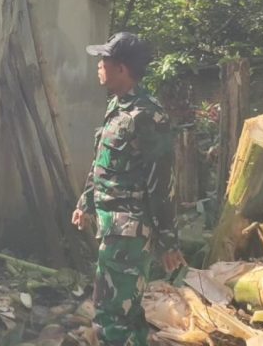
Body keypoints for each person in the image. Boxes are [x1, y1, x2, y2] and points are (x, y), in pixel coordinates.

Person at [72, 32, 184, 346]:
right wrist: (85, 203)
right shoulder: (117, 107)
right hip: (113, 228)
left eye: (104, 60)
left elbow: (162, 182)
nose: (98, 65)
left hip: (129, 233)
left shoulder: (147, 115)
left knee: (111, 316)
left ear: (121, 68)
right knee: (126, 313)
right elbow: (103, 162)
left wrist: (169, 240)